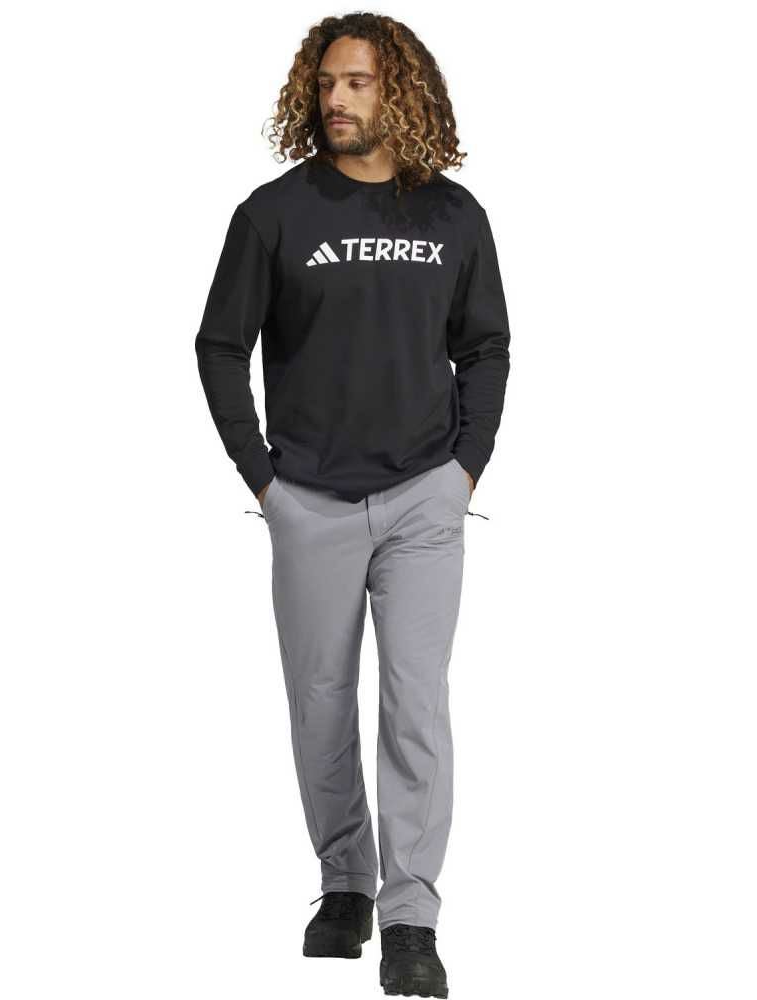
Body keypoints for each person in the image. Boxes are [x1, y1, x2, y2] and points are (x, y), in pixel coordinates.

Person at [195, 13, 510, 998]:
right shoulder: (273, 214)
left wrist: (464, 468)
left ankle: (411, 914)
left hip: (423, 494)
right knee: (320, 705)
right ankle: (345, 884)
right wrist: (264, 480)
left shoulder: (453, 216)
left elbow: (486, 346)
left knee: (415, 704)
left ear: (400, 91)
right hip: (310, 499)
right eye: (326, 82)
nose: (337, 99)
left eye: (359, 82)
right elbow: (219, 346)